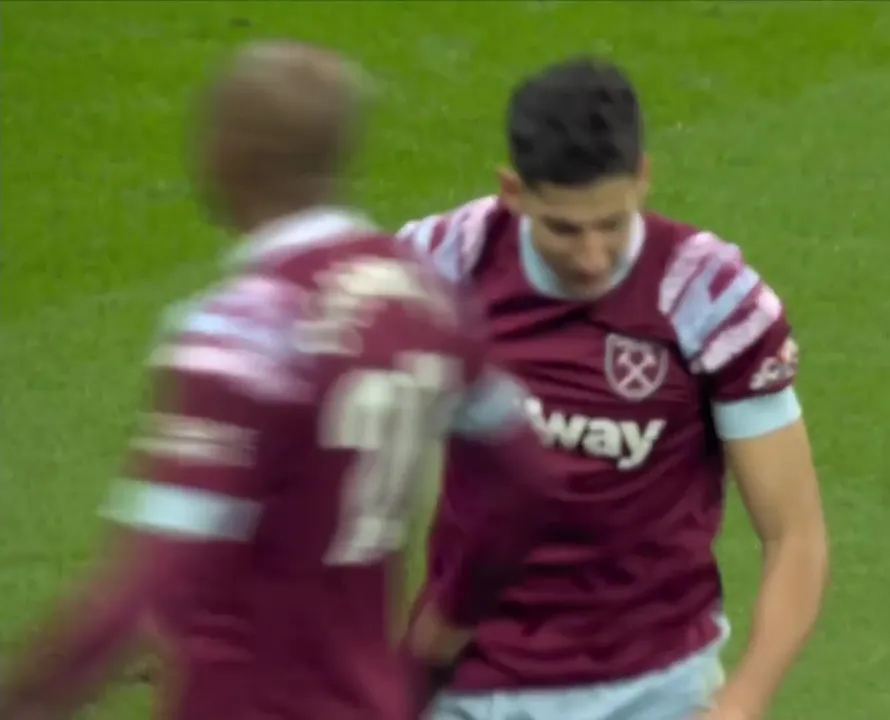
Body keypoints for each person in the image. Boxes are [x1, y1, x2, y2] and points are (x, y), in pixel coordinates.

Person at [0, 41, 556, 720]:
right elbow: (528, 476)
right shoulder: (429, 302)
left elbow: (150, 582)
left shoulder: (246, 330)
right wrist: (447, 625)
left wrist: (24, 694)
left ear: (227, 155)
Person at [399, 57, 829, 720]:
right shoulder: (442, 265)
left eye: (612, 223)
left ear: (644, 178)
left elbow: (794, 534)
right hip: (469, 684)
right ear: (513, 191)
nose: (592, 257)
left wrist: (742, 702)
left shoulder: (710, 301)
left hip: (653, 691)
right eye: (564, 229)